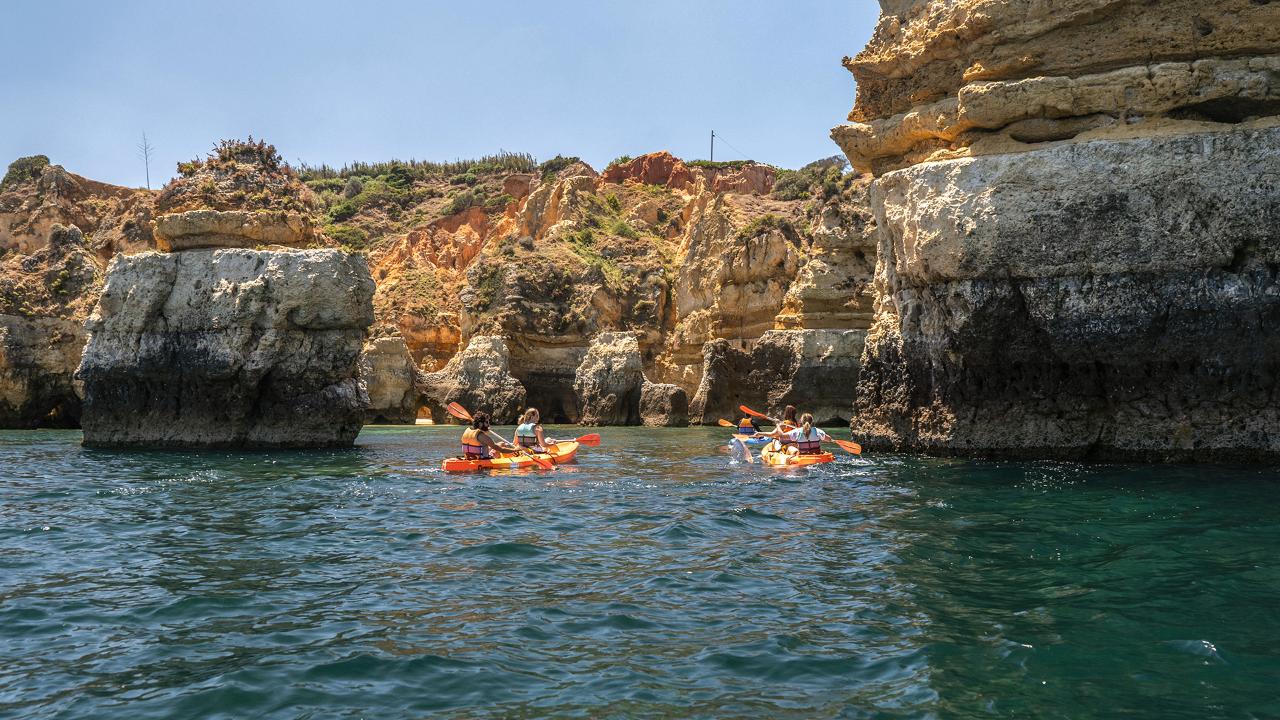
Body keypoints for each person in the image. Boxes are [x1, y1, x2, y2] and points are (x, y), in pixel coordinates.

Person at [758, 412, 830, 455]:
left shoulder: (797, 431)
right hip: (816, 455)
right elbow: (829, 439)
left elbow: (782, 436)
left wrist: (777, 424)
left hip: (803, 456)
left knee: (790, 447)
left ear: (801, 422)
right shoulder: (818, 431)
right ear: (812, 421)